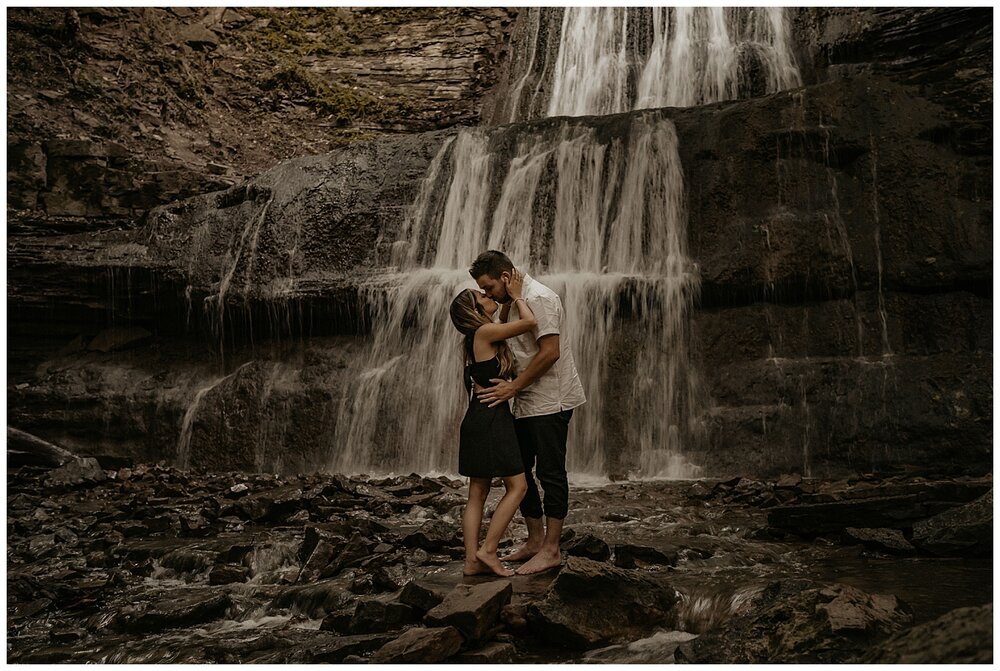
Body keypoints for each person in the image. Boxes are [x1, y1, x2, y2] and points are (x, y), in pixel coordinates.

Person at [469, 250, 586, 575]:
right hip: (524, 402)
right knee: (518, 471)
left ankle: (551, 549)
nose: (486, 295)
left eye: (488, 288)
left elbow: (550, 353)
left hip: (551, 401)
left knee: (550, 473)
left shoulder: (541, 298)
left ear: (506, 278)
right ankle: (535, 540)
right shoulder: (511, 304)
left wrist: (513, 386)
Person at [448, 270, 535, 577]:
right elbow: (530, 323)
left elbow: (507, 323)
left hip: (478, 416)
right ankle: (489, 551)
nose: (487, 296)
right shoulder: (485, 334)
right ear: (474, 310)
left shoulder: (480, 335)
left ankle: (471, 561)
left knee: (477, 493)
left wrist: (506, 302)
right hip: (491, 419)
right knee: (519, 485)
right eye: (481, 297)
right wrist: (518, 296)